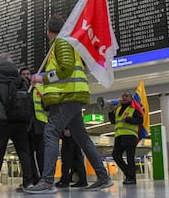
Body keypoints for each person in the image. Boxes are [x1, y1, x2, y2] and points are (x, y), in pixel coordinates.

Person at [25, 15, 113, 194]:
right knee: (82, 138)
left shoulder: (62, 43)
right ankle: (103, 177)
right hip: (71, 95)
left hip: (66, 96)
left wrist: (42, 78)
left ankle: (47, 181)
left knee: (50, 133)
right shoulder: (66, 43)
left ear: (48, 30)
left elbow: (65, 69)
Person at [0, 53, 34, 193]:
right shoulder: (22, 80)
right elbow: (29, 103)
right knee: (24, 152)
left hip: (2, 122)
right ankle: (28, 183)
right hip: (21, 122)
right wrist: (28, 122)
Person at [108, 91, 143, 185]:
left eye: (126, 96)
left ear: (131, 98)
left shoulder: (134, 108)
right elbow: (113, 121)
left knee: (130, 157)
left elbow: (140, 120)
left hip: (130, 136)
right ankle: (129, 174)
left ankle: (131, 178)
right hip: (119, 136)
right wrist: (111, 111)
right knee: (115, 155)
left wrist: (128, 119)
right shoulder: (118, 109)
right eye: (123, 96)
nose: (124, 97)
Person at [20, 67, 46, 186]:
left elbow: (47, 106)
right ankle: (33, 178)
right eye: (23, 74)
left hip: (39, 124)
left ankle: (44, 178)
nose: (26, 76)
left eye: (28, 74)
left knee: (42, 154)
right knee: (28, 154)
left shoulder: (39, 88)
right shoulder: (20, 90)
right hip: (26, 126)